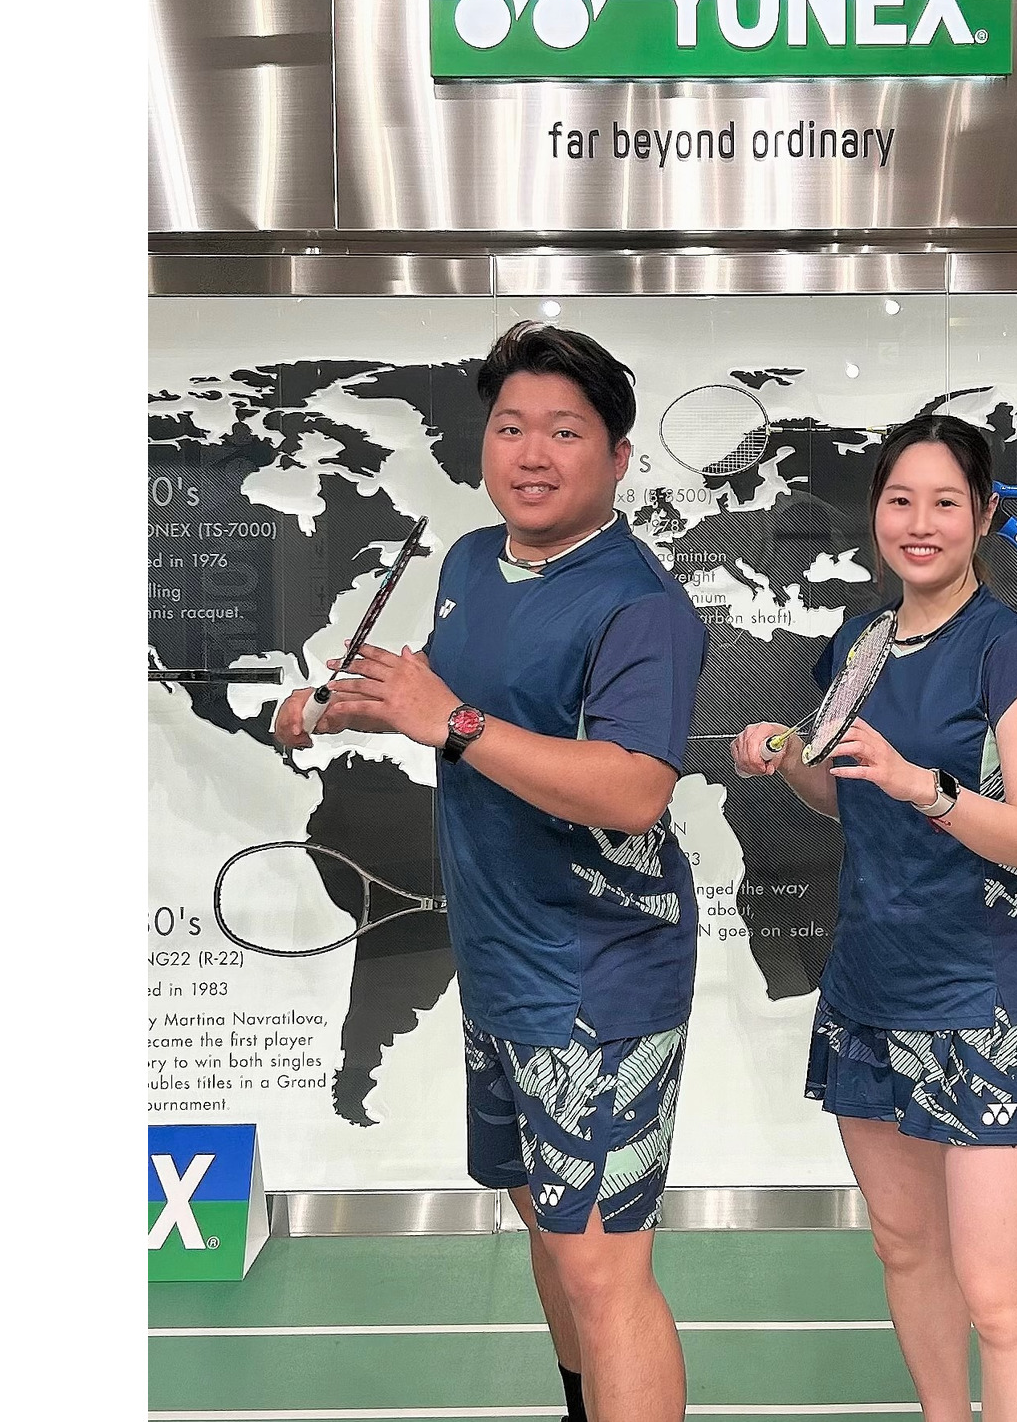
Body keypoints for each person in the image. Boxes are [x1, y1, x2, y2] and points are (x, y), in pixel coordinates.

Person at [275, 321, 708, 1422]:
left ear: (617, 456)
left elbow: (634, 789)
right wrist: (333, 708)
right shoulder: (473, 561)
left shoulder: (640, 605)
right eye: (511, 427)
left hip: (600, 975)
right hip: (502, 958)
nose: (532, 453)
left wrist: (452, 721)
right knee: (548, 1229)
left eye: (565, 431)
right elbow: (439, 691)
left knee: (605, 1264)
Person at [731, 415, 1017, 1422]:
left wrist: (925, 785)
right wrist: (785, 755)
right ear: (876, 512)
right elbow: (843, 796)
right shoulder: (862, 642)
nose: (919, 524)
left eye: (944, 503)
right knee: (906, 1249)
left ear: (985, 516)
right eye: (899, 501)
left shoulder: (1009, 648)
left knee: (1000, 1299)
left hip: (981, 1006)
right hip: (869, 993)